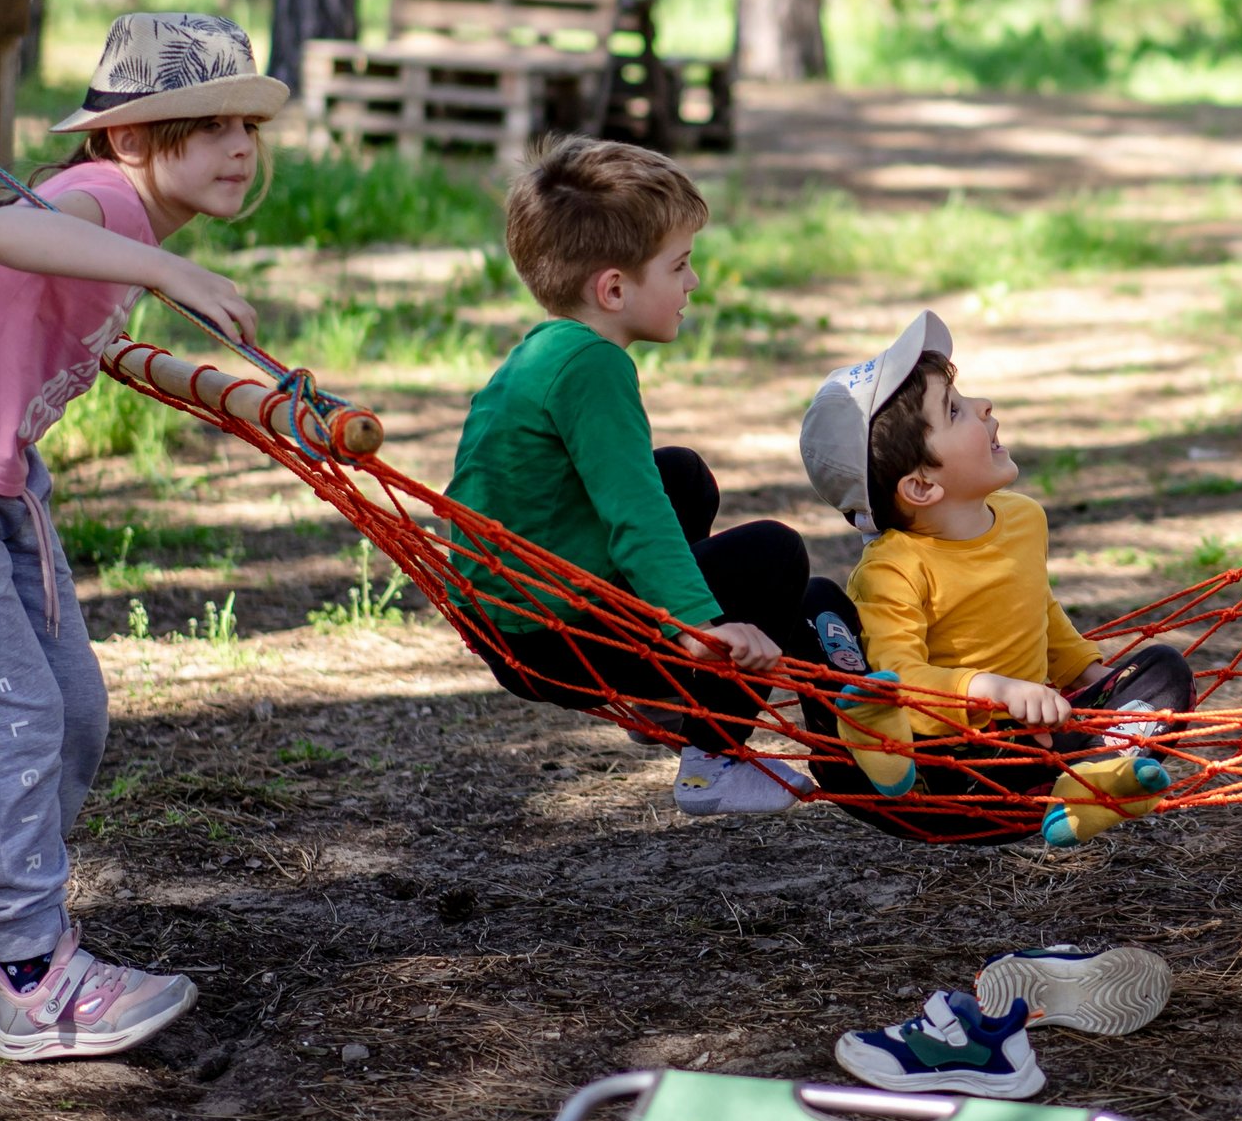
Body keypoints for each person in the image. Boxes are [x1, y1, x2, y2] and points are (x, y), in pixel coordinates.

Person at [0, 13, 282, 1060]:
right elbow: (7, 231)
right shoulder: (103, 198)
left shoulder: (125, 222)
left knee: (70, 710)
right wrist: (163, 275)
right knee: (18, 718)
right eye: (209, 125)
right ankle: (35, 981)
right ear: (128, 139)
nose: (242, 146)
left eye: (247, 123)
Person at [446, 137, 824, 818]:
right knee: (775, 552)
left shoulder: (548, 348)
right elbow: (634, 513)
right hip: (555, 638)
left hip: (510, 617)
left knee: (683, 473)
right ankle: (715, 756)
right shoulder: (595, 368)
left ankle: (662, 693)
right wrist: (702, 628)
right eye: (679, 265)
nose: (693, 282)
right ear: (614, 287)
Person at [798, 311, 1194, 845]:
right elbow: (902, 680)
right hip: (949, 773)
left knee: (1164, 670)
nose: (983, 406)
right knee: (815, 603)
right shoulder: (893, 568)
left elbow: (1037, 607)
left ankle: (1092, 780)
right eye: (955, 411)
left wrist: (1087, 673)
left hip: (1040, 749)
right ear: (921, 486)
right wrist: (994, 691)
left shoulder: (1022, 517)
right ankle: (868, 741)